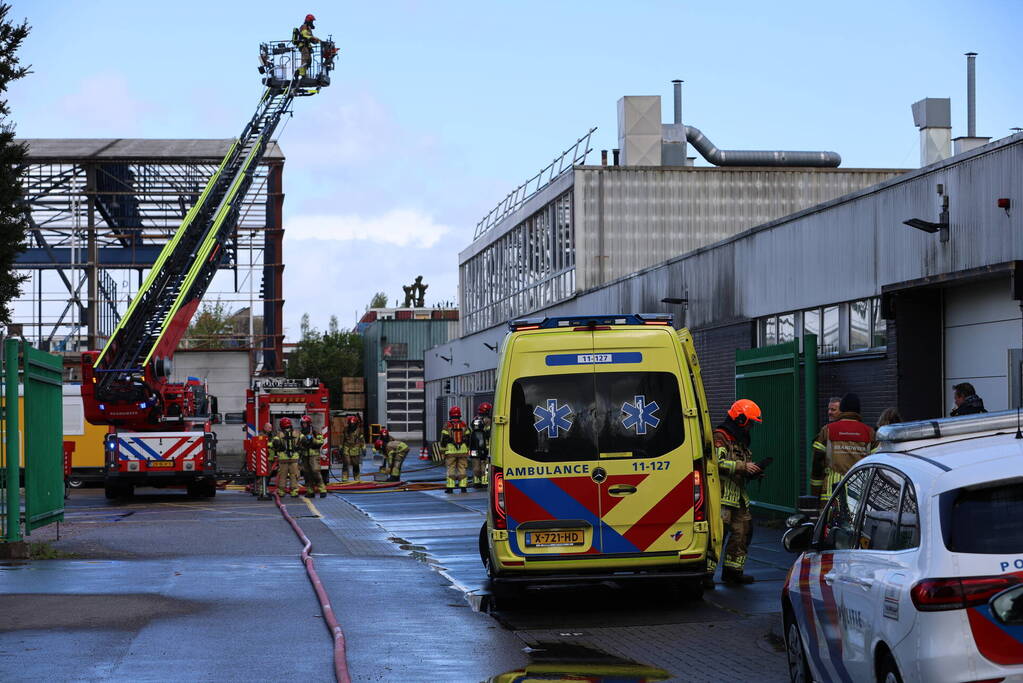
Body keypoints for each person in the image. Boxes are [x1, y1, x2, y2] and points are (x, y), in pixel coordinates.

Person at [707, 399, 763, 587]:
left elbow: (742, 465)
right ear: (740, 419)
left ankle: (733, 572)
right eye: (750, 422)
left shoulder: (740, 440)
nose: (751, 427)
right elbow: (715, 463)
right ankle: (706, 576)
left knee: (743, 533)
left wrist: (753, 471)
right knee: (718, 537)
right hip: (721, 497)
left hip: (738, 497)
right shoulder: (720, 437)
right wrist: (742, 466)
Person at [810, 392, 877, 508]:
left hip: (831, 493)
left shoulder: (827, 430)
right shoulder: (870, 432)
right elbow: (877, 464)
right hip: (860, 491)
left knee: (830, 524)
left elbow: (817, 463)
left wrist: (815, 492)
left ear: (842, 409)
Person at [440, 406, 470, 494]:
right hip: (463, 451)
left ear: (450, 414)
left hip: (451, 451)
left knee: (451, 469)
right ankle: (463, 487)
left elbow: (444, 439)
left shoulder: (447, 425)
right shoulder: (464, 424)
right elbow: (468, 438)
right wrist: (467, 448)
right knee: (462, 468)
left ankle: (450, 488)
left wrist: (442, 450)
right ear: (459, 414)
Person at [298, 415, 327, 498]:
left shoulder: (315, 431)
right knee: (307, 474)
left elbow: (321, 441)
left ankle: (322, 490)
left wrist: (312, 440)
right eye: (302, 423)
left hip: (314, 455)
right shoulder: (301, 433)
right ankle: (310, 491)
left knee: (315, 472)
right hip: (305, 455)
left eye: (305, 423)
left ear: (308, 423)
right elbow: (299, 443)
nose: (303, 425)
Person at [273, 417, 302, 498]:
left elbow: (273, 444)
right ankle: (294, 491)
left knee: (282, 476)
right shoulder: (297, 433)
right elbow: (304, 441)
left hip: (283, 459)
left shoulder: (278, 434)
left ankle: (281, 492)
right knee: (294, 475)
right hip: (294, 459)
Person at [469, 402, 492, 489]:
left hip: (474, 447)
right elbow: (490, 433)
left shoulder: (474, 420)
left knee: (475, 465)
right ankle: (485, 482)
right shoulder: (488, 421)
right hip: (485, 447)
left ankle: (476, 482)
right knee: (485, 465)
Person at [293, 13, 320, 78]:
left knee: (309, 61)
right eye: (312, 21)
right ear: (309, 20)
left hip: (307, 46)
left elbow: (311, 38)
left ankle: (302, 72)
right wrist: (313, 38)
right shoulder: (304, 26)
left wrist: (318, 41)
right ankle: (300, 73)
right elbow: (305, 35)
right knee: (305, 59)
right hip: (303, 45)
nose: (312, 23)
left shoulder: (309, 28)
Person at [339, 415, 364, 484]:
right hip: (346, 447)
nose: (352, 425)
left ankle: (357, 477)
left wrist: (363, 448)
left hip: (355, 448)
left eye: (353, 424)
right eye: (350, 424)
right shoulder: (346, 429)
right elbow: (342, 439)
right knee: (346, 463)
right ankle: (345, 477)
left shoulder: (359, 430)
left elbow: (362, 439)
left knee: (355, 464)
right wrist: (340, 447)